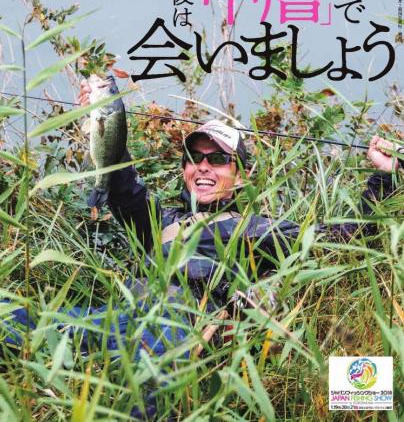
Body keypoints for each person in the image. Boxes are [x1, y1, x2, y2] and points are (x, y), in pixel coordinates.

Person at [78, 78, 402, 307]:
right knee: (44, 324)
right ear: (184, 169)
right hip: (119, 319)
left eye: (219, 159)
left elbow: (345, 237)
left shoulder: (257, 229)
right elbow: (121, 186)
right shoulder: (158, 222)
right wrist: (102, 114)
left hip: (177, 331)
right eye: (194, 157)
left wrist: (386, 177)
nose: (203, 166)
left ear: (242, 177)